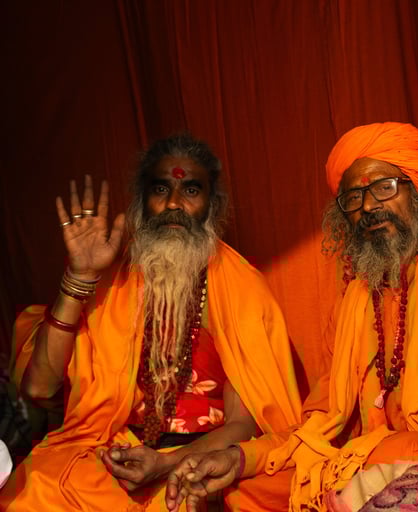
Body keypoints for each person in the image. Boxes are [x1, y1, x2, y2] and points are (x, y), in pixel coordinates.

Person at [168, 122, 418, 511]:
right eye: (353, 197)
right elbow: (319, 424)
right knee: (243, 490)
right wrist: (239, 457)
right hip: (362, 461)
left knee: (406, 451)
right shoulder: (355, 297)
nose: (368, 206)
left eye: (384, 188)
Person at [0, 133, 302, 511]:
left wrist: (166, 463)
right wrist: (79, 277)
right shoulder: (113, 282)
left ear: (212, 205)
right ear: (141, 201)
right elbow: (39, 388)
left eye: (191, 190)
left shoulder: (241, 289)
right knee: (39, 486)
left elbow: (244, 423)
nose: (174, 203)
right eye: (161, 189)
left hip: (199, 456)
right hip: (114, 451)